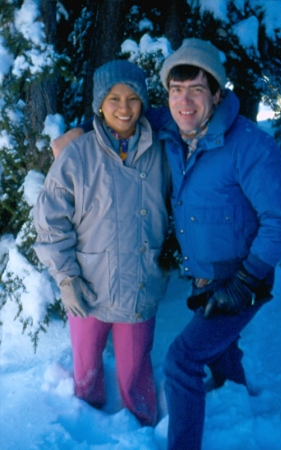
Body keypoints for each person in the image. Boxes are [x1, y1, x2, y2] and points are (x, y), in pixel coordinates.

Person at [158, 38, 281, 449]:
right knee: (217, 347)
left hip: (241, 281)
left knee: (181, 361)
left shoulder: (249, 146)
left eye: (197, 89)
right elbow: (121, 116)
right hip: (203, 277)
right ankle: (237, 400)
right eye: (176, 90)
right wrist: (75, 139)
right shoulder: (174, 129)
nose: (185, 101)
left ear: (217, 94)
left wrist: (245, 281)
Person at [33, 59, 170, 427]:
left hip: (141, 286)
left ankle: (142, 428)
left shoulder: (162, 150)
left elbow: (181, 205)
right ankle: (85, 422)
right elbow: (49, 220)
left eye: (132, 99)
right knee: (87, 366)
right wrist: (66, 278)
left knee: (134, 368)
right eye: (113, 98)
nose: (123, 108)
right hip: (89, 287)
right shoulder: (78, 154)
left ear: (143, 104)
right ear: (99, 104)